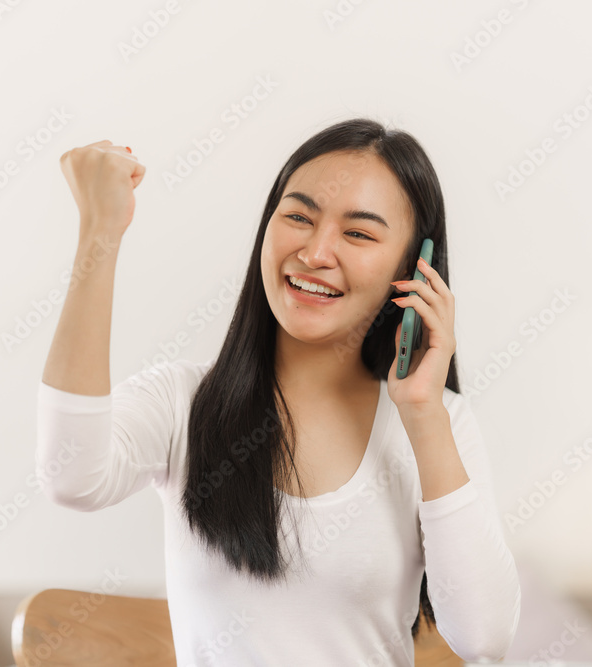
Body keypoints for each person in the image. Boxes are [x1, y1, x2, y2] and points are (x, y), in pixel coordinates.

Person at [36, 118, 521, 666]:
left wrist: (423, 413)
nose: (315, 253)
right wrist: (99, 233)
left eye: (358, 233)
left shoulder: (440, 423)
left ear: (413, 272)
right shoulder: (182, 403)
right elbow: (70, 476)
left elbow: (482, 638)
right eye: (298, 217)